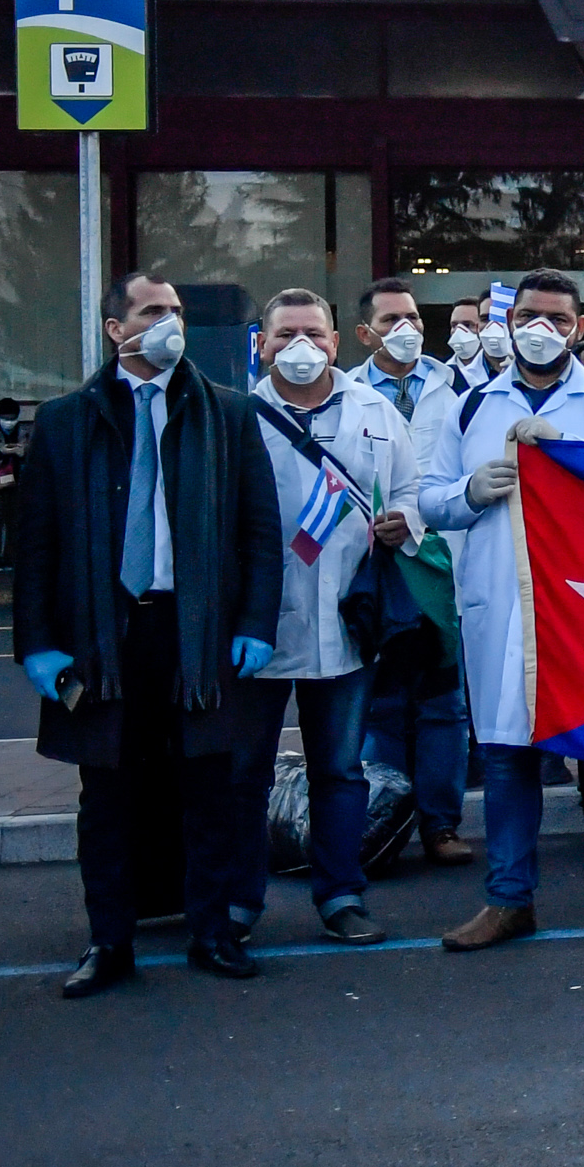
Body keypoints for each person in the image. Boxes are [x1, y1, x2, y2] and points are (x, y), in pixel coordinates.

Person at [12, 273, 282, 995]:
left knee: (210, 786)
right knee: (107, 793)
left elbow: (260, 531)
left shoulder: (227, 413)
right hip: (105, 634)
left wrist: (256, 622)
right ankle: (109, 939)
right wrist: (36, 641)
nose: (170, 322)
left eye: (177, 312)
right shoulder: (67, 419)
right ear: (115, 328)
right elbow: (35, 543)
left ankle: (212, 930)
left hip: (195, 631)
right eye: (153, 311)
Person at [420, 269, 584, 953]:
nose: (541, 329)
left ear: (578, 328)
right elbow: (430, 499)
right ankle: (509, 898)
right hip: (503, 603)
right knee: (506, 756)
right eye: (529, 315)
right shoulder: (470, 406)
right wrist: (470, 490)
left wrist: (576, 463)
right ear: (508, 321)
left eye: (557, 319)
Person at [233, 289, 418, 946]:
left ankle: (341, 894)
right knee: (243, 771)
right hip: (256, 627)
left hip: (347, 621)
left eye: (314, 331)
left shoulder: (375, 411)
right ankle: (237, 902)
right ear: (261, 343)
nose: (301, 345)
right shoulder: (236, 416)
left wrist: (407, 523)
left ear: (338, 342)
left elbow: (410, 489)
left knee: (339, 768)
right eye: (285, 333)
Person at [343, 278, 474, 870]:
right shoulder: (346, 396)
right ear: (364, 333)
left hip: (445, 560)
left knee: (444, 700)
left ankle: (441, 823)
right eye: (392, 319)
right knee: (382, 702)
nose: (407, 329)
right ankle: (384, 820)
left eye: (415, 318)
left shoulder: (461, 390)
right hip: (373, 566)